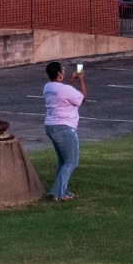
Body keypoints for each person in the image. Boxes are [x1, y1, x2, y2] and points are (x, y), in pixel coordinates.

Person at [43, 60, 86, 201]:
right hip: (64, 127)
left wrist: (71, 82)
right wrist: (81, 80)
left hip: (51, 126)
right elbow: (82, 98)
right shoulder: (66, 90)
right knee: (72, 161)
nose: (64, 72)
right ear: (59, 74)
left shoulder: (48, 87)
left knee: (63, 161)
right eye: (62, 70)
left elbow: (62, 93)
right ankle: (58, 193)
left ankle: (63, 190)